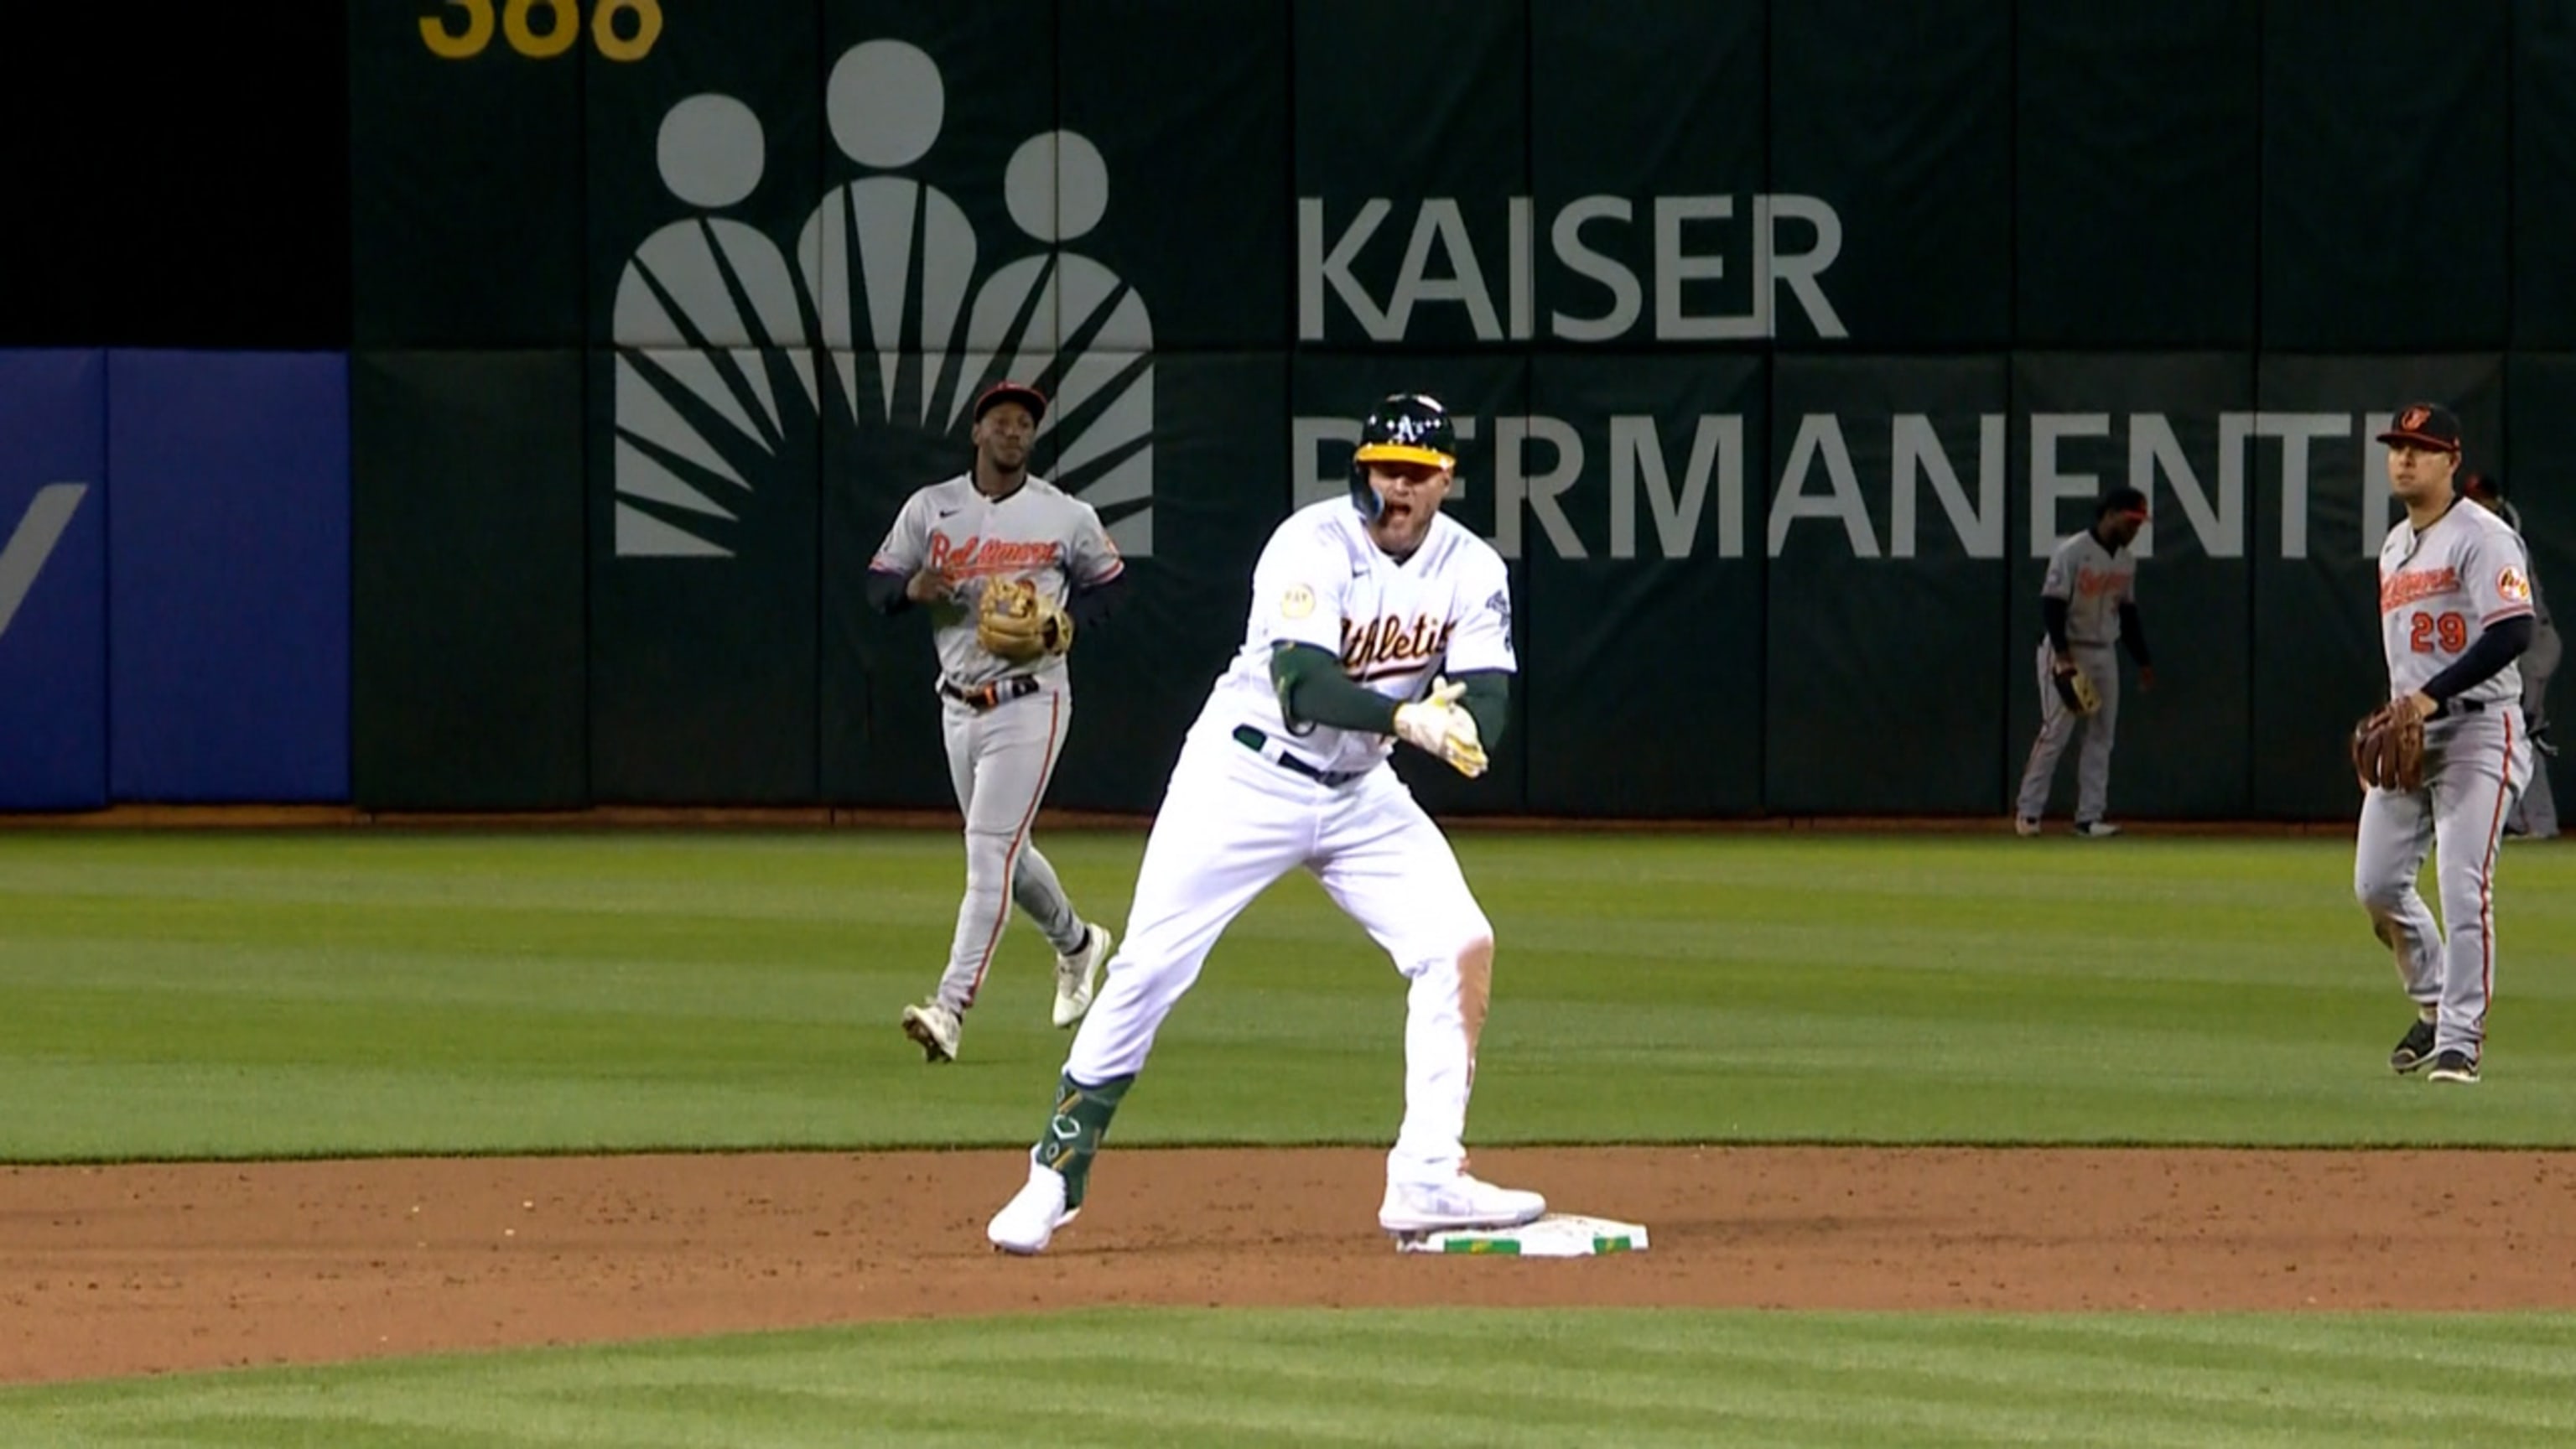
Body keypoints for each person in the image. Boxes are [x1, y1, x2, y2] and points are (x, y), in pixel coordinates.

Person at [984, 392, 1540, 1254]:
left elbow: (1490, 691)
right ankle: (1054, 1176)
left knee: (1459, 944)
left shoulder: (1472, 569)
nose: (1399, 487)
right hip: (1245, 774)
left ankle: (1428, 1174)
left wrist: (1471, 726)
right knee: (1150, 967)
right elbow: (1303, 684)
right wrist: (1405, 721)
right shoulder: (1312, 543)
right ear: (1362, 469)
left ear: (1446, 482)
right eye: (1385, 469)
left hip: (1360, 793)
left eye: (1418, 474)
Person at [865, 381, 1127, 1062]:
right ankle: (1078, 943)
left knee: (987, 854)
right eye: (1002, 421)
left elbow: (1111, 584)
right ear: (977, 433)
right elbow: (878, 584)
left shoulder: (1065, 515)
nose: (1014, 432)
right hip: (957, 702)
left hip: (1031, 699)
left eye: (1025, 424)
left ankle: (949, 1009)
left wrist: (1068, 623)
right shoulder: (932, 509)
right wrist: (910, 590)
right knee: (1010, 856)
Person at [2355, 405, 2535, 1087]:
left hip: (2479, 727)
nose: (2404, 459)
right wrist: (2395, 716)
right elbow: (2407, 656)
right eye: (2397, 446)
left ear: (2451, 460)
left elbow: (2512, 632)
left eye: (2421, 449)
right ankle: (2433, 1002)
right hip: (2412, 735)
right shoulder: (2394, 547)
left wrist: (2431, 696)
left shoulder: (2482, 537)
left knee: (2462, 884)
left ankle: (2461, 1040)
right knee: (2375, 883)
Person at [2013, 487, 2156, 838]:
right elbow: (2052, 605)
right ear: (2109, 514)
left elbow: (2128, 612)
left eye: (2140, 522)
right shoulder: (2073, 551)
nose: (2136, 527)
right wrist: (2061, 656)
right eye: (2131, 519)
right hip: (2068, 649)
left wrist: (2142, 660)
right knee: (2056, 732)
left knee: (2101, 735)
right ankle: (2028, 812)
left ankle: (2089, 817)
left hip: (2104, 649)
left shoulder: (2126, 560)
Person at [2462, 471, 2558, 839]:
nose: (2476, 503)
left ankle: (2539, 821)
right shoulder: (2479, 537)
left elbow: (2518, 617)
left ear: (2496, 501)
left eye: (2483, 497)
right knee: (2509, 732)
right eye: (2472, 497)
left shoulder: (2502, 540)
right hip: (2514, 648)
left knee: (2523, 731)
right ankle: (2516, 818)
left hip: (2532, 646)